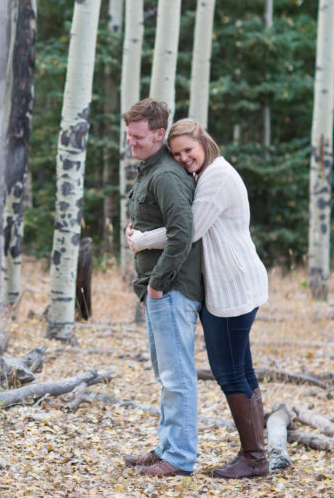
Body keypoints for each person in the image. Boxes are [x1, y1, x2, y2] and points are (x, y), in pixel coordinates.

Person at [126, 118, 269, 479]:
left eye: (188, 150)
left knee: (231, 371)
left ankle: (254, 458)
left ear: (204, 141)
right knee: (239, 370)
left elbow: (188, 229)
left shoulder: (218, 177)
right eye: (177, 154)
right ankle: (255, 454)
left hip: (233, 287)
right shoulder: (204, 175)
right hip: (223, 287)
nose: (184, 158)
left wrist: (140, 240)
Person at [120, 99, 203, 478]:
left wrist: (156, 285)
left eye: (137, 136)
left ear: (158, 134)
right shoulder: (150, 170)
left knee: (177, 377)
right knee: (165, 376)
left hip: (170, 291)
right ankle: (166, 447)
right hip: (157, 292)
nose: (130, 141)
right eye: (128, 134)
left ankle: (180, 458)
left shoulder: (167, 175)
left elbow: (182, 233)